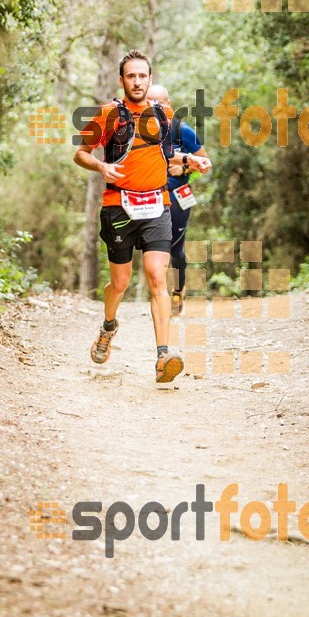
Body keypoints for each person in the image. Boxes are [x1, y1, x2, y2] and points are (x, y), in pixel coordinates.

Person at [73, 50, 209, 383]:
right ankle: (108, 326)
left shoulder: (164, 113)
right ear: (122, 80)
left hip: (157, 206)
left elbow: (164, 155)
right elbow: (80, 153)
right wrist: (102, 165)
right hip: (118, 207)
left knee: (156, 277)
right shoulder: (107, 114)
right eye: (131, 76)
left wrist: (193, 162)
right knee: (119, 284)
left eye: (143, 76)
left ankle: (163, 356)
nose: (137, 81)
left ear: (149, 78)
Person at [148, 85, 211, 316]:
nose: (155, 108)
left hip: (178, 197)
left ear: (169, 105)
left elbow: (204, 163)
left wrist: (184, 168)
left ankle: (178, 290)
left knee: (175, 247)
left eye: (160, 103)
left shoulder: (183, 131)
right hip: (151, 197)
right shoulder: (142, 132)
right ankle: (160, 295)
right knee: (155, 248)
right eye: (150, 103)